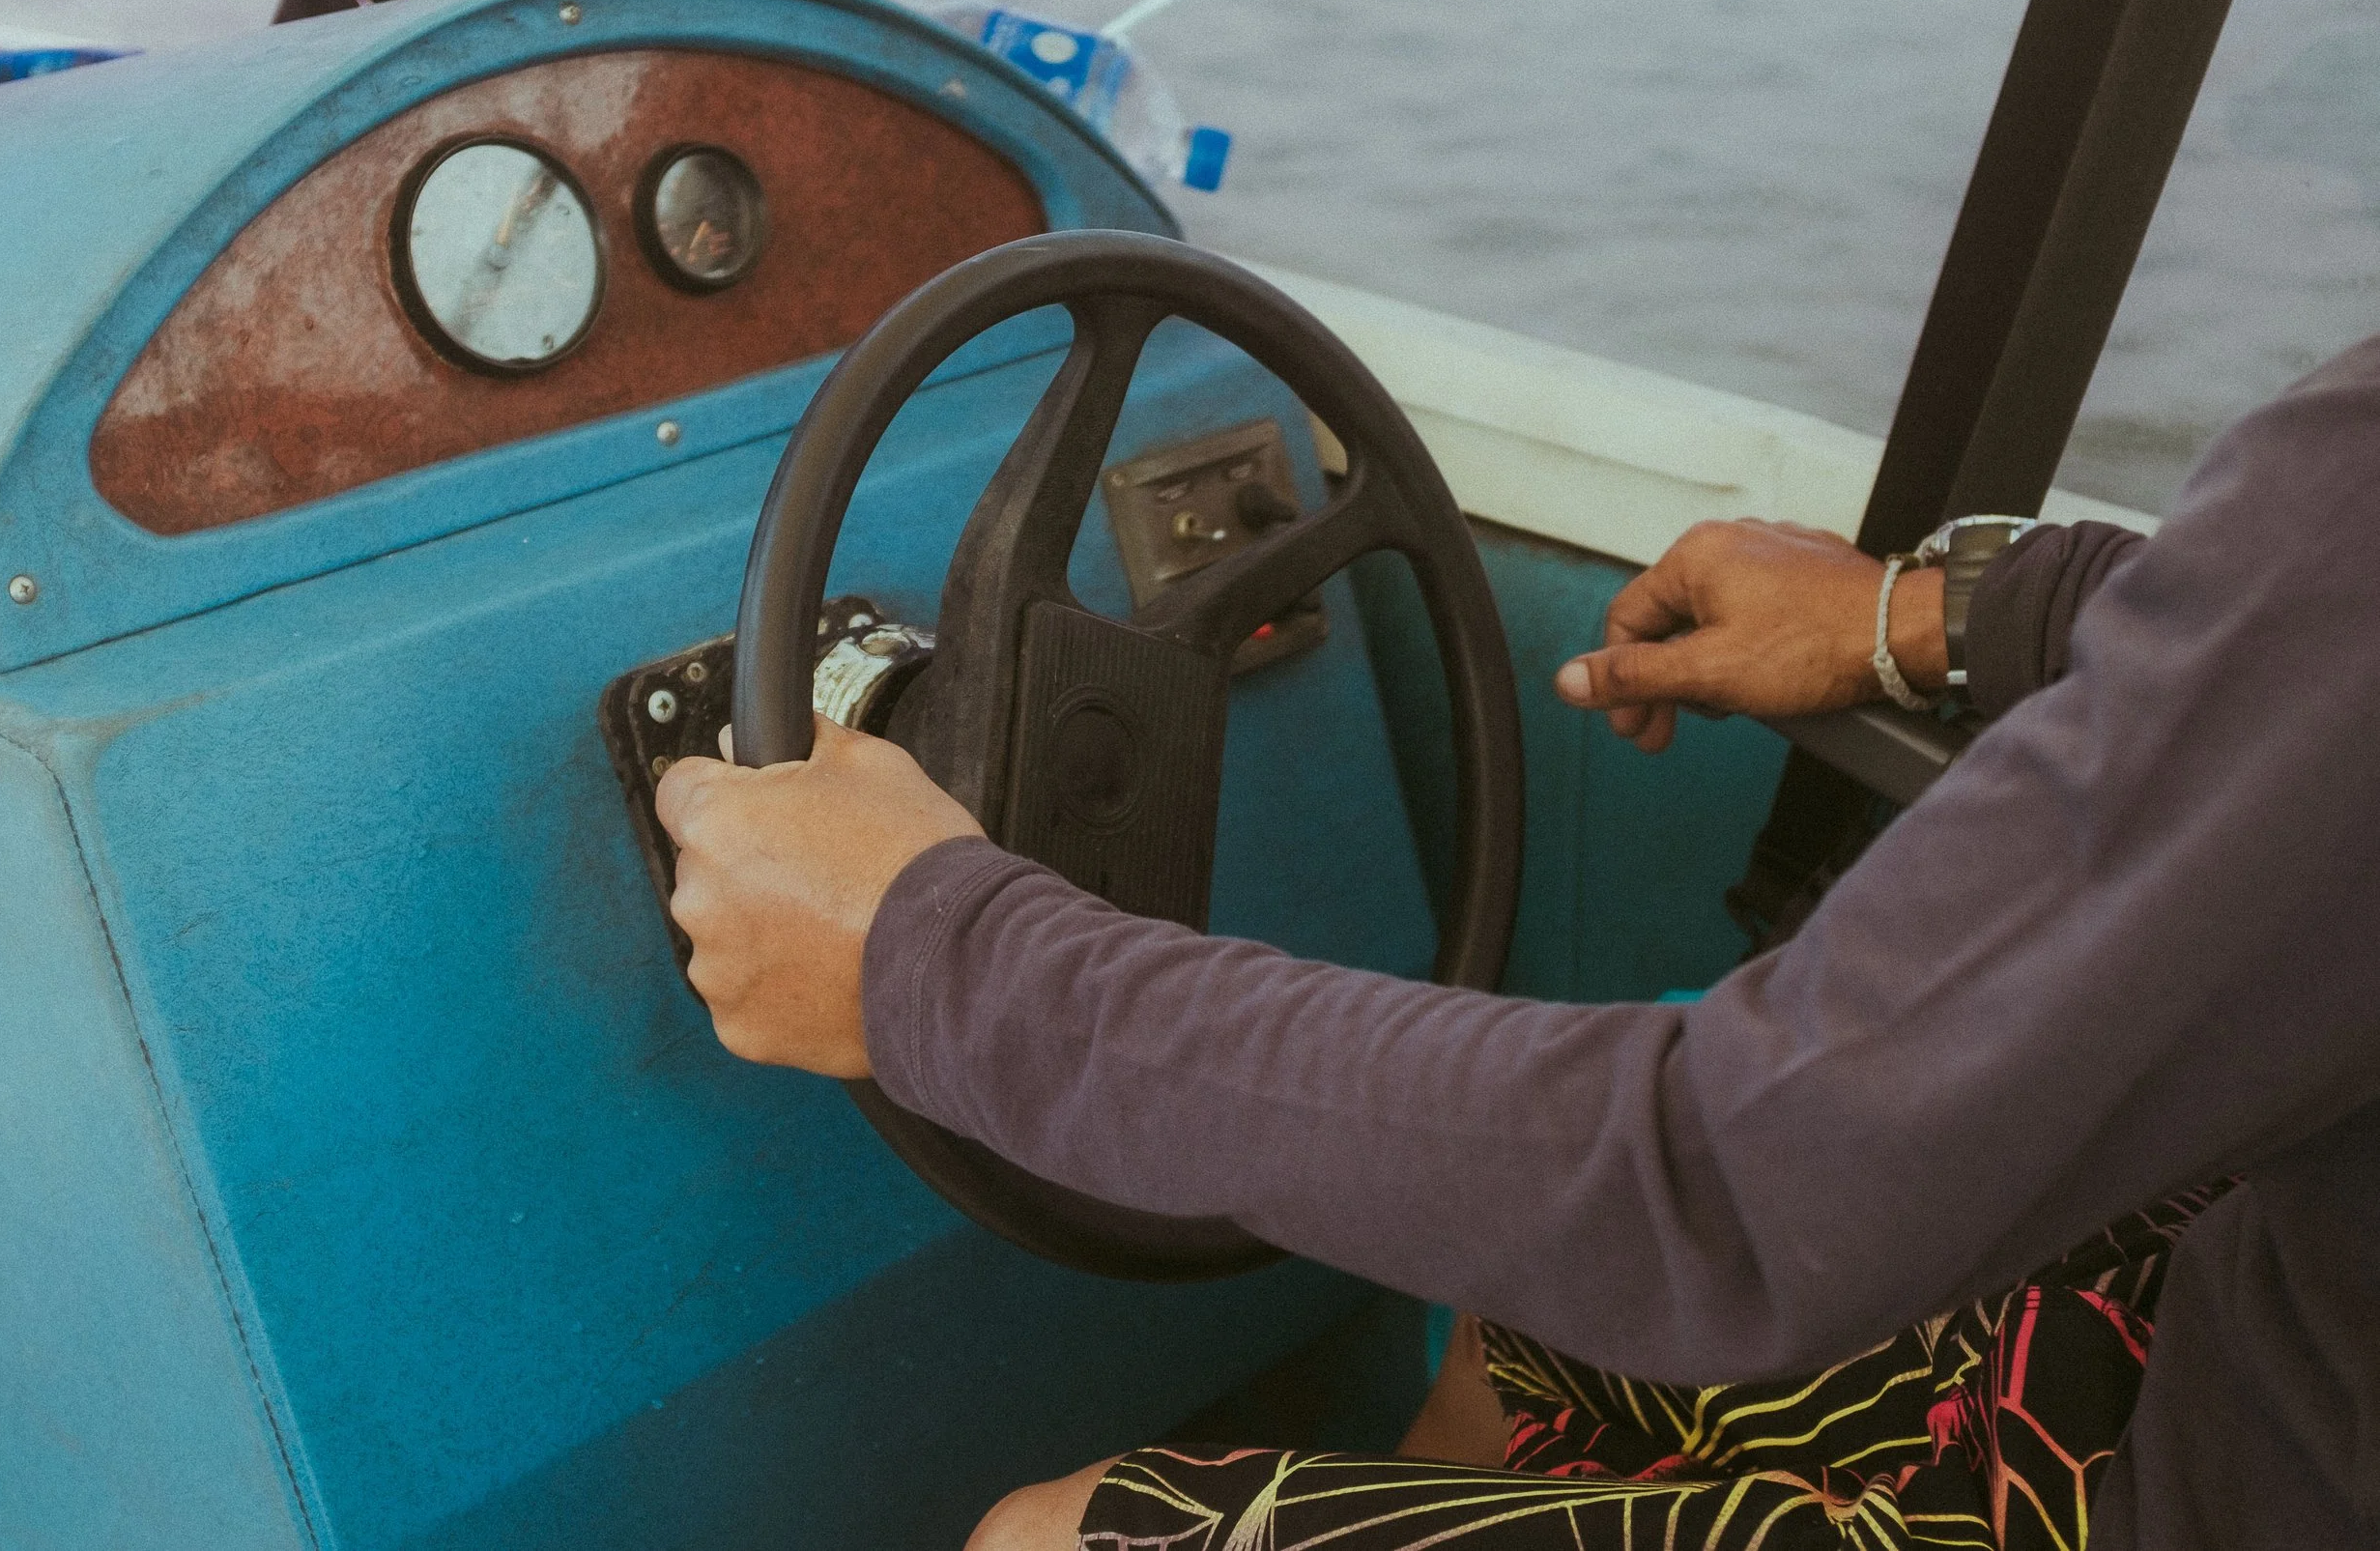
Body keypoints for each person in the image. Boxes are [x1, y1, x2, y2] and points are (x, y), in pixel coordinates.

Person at [654, 338, 2380, 1549]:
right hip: (2253, 1340)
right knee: (1533, 1316)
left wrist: (927, 961)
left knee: (1053, 1544)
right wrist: (1959, 610)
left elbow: (1716, 1190)